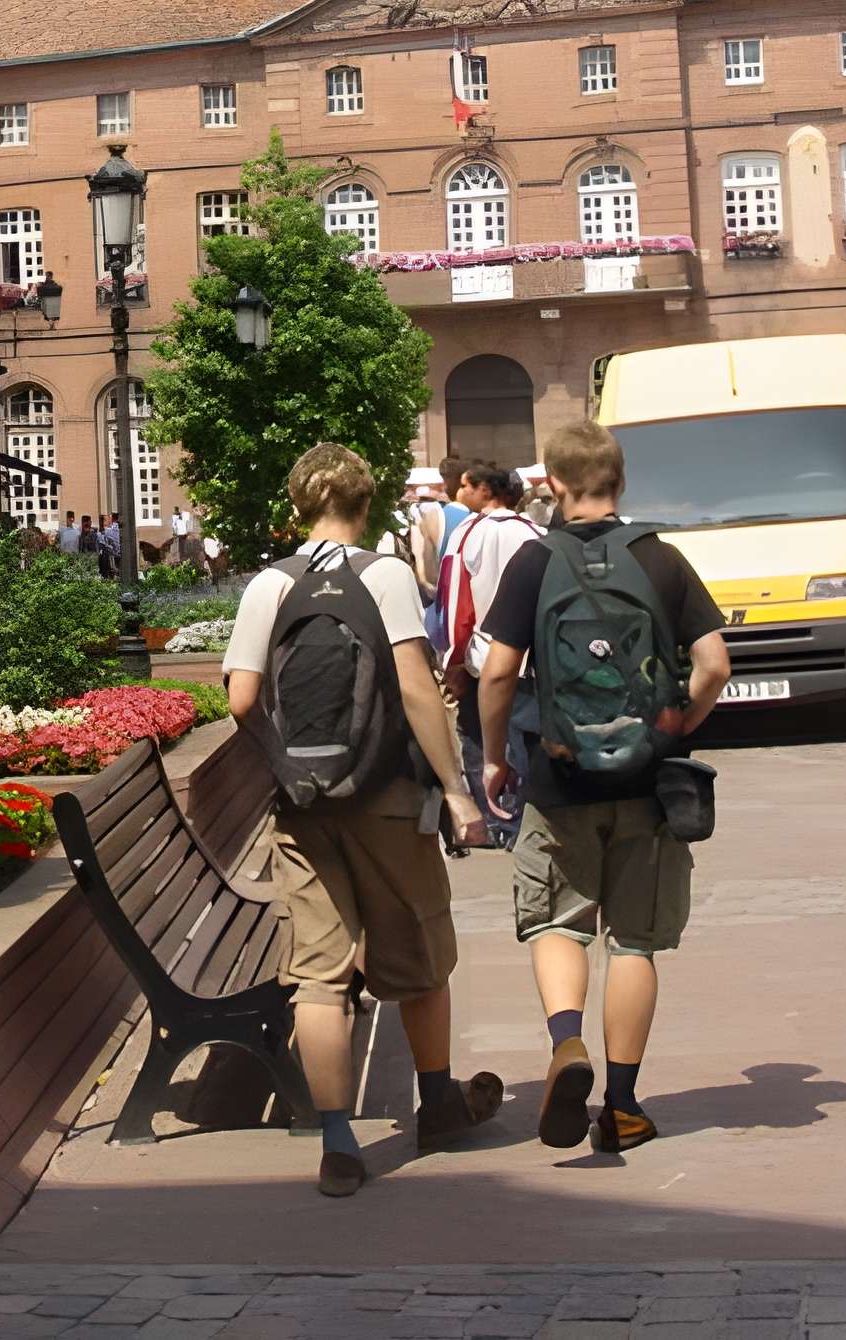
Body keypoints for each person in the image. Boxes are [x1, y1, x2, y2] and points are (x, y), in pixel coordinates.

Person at [223, 443, 501, 1197]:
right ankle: (438, 1103)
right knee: (418, 947)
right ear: (366, 504)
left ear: (296, 508)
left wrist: (287, 764)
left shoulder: (268, 587)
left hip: (304, 806)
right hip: (387, 797)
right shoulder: (384, 576)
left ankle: (340, 1143)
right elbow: (414, 687)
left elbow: (242, 700)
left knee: (319, 972)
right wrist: (459, 792)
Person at [474, 421, 730, 1156]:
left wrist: (496, 757)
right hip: (650, 787)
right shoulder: (661, 560)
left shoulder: (532, 561)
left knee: (557, 923)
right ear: (621, 482)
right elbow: (714, 665)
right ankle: (621, 1105)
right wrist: (672, 730)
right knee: (634, 943)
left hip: (558, 781)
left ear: (552, 484)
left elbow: (496, 672)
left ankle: (565, 1044)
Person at [450, 463, 546, 847]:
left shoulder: (466, 534)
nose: (459, 493)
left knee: (487, 743)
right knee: (529, 743)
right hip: (531, 662)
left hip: (484, 658)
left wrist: (452, 658)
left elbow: (456, 603)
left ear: (486, 489)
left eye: (464, 486)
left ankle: (499, 822)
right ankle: (530, 820)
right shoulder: (537, 534)